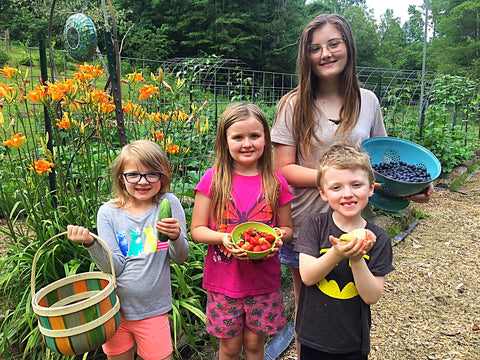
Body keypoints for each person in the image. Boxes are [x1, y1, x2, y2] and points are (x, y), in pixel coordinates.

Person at [270, 13, 433, 356]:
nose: (325, 53)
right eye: (315, 48)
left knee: (354, 301)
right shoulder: (293, 103)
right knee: (308, 308)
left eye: (333, 44)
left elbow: (380, 164)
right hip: (306, 221)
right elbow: (282, 169)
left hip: (354, 222)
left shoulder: (368, 101)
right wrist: (335, 182)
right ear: (306, 56)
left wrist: (406, 190)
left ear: (348, 48)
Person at [67, 139, 189, 360]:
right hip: (114, 311)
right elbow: (114, 268)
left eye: (152, 174)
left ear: (163, 176)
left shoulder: (168, 203)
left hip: (153, 311)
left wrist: (176, 236)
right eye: (133, 174)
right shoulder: (108, 213)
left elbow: (180, 257)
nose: (142, 181)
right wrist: (90, 244)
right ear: (121, 177)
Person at [190, 102, 293, 360]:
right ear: (225, 142)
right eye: (238, 137)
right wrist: (223, 237)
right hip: (224, 283)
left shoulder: (276, 181)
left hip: (263, 283)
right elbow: (197, 230)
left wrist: (276, 238)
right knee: (230, 348)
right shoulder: (213, 180)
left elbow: (287, 228)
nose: (247, 143)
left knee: (256, 345)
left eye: (254, 136)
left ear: (266, 140)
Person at [294, 143, 395, 359]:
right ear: (323, 193)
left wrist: (357, 259)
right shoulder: (315, 225)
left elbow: (371, 296)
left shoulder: (379, 239)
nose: (347, 194)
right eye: (336, 187)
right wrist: (337, 253)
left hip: (353, 341)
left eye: (356, 184)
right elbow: (308, 277)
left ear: (370, 188)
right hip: (312, 336)